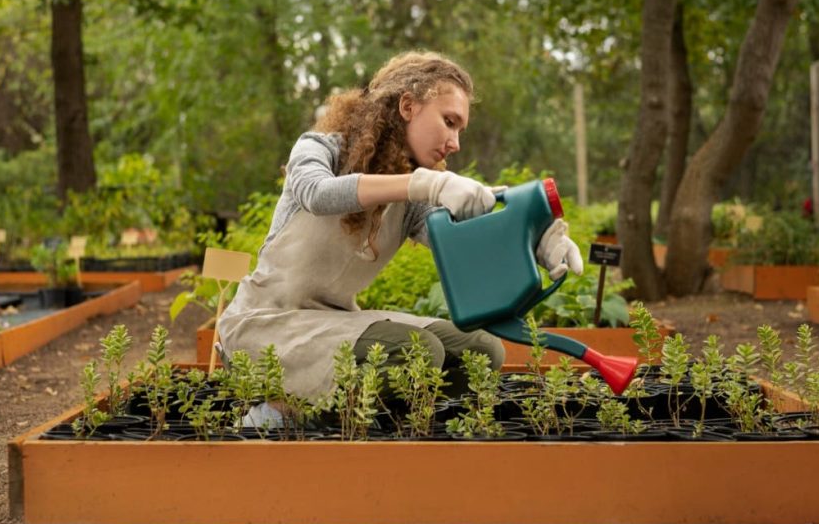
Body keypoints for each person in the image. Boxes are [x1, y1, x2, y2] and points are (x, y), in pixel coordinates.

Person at [217, 51, 583, 415]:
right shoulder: (319, 148)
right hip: (265, 326)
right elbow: (318, 194)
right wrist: (422, 184)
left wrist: (535, 239)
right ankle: (279, 414)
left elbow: (467, 243)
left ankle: (374, 422)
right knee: (418, 351)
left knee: (481, 352)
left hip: (334, 322)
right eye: (449, 121)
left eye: (460, 130)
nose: (455, 142)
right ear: (408, 106)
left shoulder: (412, 200)